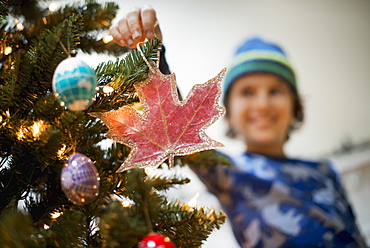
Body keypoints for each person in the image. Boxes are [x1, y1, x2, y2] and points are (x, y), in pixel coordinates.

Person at [109, 6, 367, 248]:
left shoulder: (326, 172)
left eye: (275, 91)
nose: (262, 104)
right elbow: (175, 130)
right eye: (247, 92)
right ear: (228, 115)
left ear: (295, 107)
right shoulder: (231, 173)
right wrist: (153, 50)